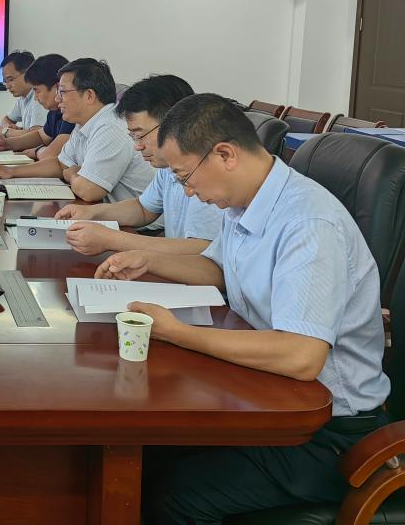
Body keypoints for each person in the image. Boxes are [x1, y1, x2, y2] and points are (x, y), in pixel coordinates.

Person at [96, 94, 389, 524]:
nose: (187, 192)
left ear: (225, 155)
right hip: (269, 394)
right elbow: (219, 270)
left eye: (185, 177)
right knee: (136, 452)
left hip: (327, 433)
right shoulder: (247, 201)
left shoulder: (307, 223)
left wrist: (176, 331)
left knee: (169, 492)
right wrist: (149, 260)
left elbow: (301, 355)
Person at [54, 75, 223, 255]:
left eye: (141, 135)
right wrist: (92, 213)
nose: (138, 145)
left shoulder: (205, 169)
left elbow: (201, 250)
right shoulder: (166, 167)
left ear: (175, 125)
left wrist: (112, 239)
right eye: (133, 136)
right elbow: (143, 209)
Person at [0, 58, 153, 203]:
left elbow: (89, 191)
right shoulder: (84, 122)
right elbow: (60, 163)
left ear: (89, 96)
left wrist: (71, 174)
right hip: (103, 213)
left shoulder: (110, 127)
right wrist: (10, 171)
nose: (57, 99)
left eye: (62, 92)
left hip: (135, 224)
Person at [0, 53, 74, 160]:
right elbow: (40, 136)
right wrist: (6, 143)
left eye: (37, 90)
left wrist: (35, 151)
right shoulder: (54, 112)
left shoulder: (71, 114)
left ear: (57, 87)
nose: (35, 98)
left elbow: (50, 155)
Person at [0, 50, 47, 140]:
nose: (7, 86)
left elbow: (37, 136)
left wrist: (5, 131)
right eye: (5, 81)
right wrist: (9, 127)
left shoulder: (39, 98)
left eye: (11, 79)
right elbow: (6, 119)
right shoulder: (23, 98)